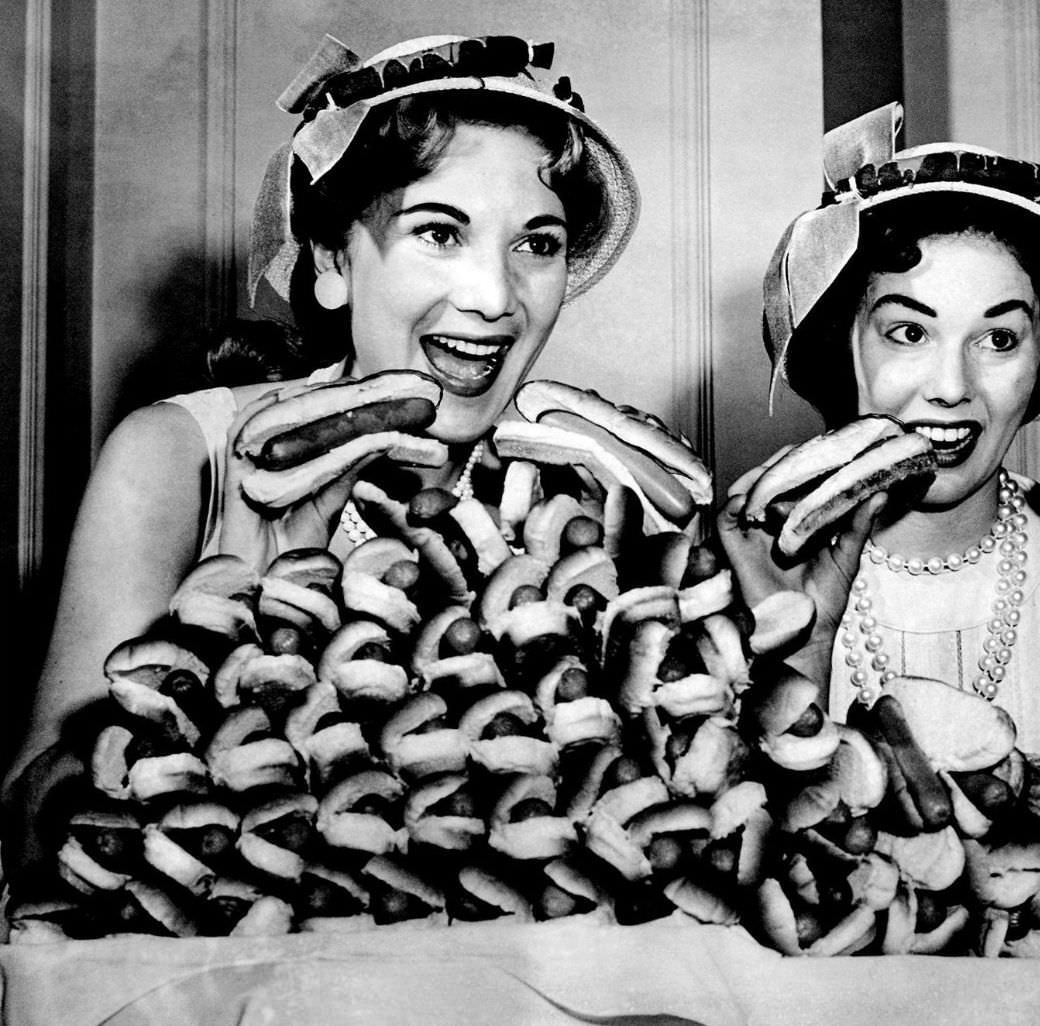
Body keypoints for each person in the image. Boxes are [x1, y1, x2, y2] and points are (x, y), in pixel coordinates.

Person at [2, 32, 642, 878]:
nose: (494, 299)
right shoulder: (175, 458)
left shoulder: (588, 494)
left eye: (538, 244)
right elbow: (36, 831)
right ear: (336, 260)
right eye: (439, 233)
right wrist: (234, 603)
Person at [719, 103, 1040, 877]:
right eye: (908, 332)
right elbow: (749, 904)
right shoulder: (736, 571)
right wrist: (799, 638)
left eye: (999, 339)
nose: (952, 387)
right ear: (843, 344)